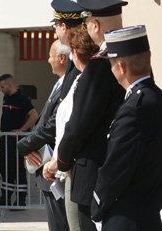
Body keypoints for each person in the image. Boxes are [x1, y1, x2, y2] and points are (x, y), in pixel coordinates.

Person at [45, 1, 127, 230]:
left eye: (87, 23)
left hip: (92, 169)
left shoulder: (99, 65)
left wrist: (60, 161)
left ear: (96, 25)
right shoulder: (128, 55)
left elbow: (79, 124)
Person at [91, 25, 162, 231]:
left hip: (125, 218)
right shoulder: (155, 98)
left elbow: (116, 168)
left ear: (121, 68)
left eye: (112, 65)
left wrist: (97, 206)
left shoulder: (134, 108)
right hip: (149, 214)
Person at [17, 40, 70, 231]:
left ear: (62, 58)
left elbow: (52, 125)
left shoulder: (68, 86)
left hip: (56, 167)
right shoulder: (60, 83)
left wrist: (24, 145)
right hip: (49, 166)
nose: (47, 60)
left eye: (50, 55)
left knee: (60, 223)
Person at [49, 0, 84, 229]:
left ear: (63, 27)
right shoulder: (74, 64)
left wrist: (58, 161)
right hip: (69, 163)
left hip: (77, 163)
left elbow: (78, 121)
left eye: (55, 26)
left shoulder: (81, 65)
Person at [0, 74, 38, 209]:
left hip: (15, 140)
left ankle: (21, 198)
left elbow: (34, 115)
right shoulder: (6, 97)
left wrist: (21, 130)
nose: (0, 89)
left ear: (10, 85)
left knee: (16, 168)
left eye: (2, 86)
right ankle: (5, 196)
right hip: (4, 138)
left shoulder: (21, 98)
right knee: (5, 168)